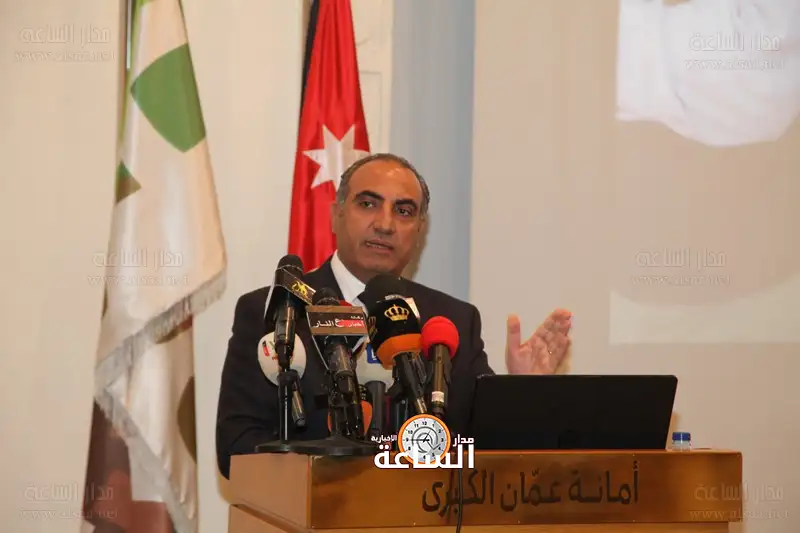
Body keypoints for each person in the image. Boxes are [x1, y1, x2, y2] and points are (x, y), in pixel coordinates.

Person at [215, 153, 572, 479]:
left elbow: (484, 447)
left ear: (419, 230)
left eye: (403, 211)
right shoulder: (277, 311)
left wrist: (524, 392)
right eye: (368, 204)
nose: (385, 224)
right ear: (336, 214)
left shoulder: (451, 321)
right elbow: (236, 447)